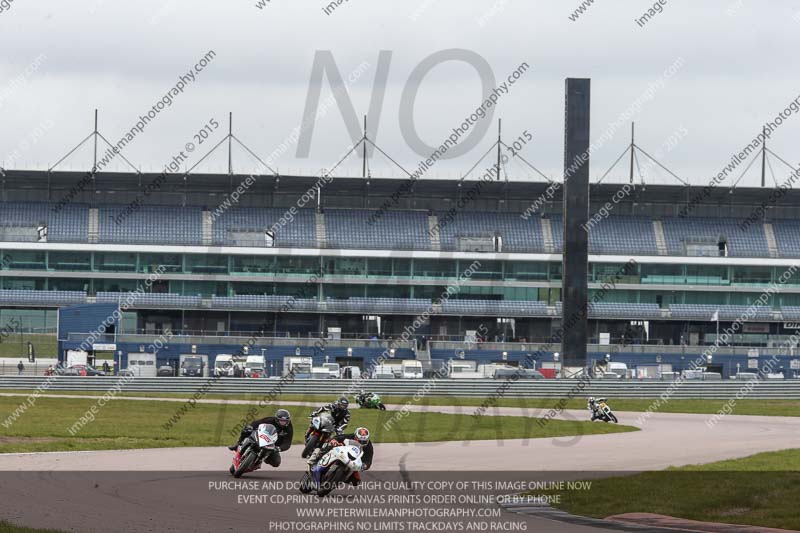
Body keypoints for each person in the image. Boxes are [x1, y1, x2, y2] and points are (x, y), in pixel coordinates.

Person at [228, 409, 293, 467]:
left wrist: (279, 448)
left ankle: (262, 459)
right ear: (276, 419)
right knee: (246, 430)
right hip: (261, 437)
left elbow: (287, 443)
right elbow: (256, 423)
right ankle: (238, 444)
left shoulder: (289, 428)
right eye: (281, 421)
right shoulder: (270, 420)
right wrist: (251, 427)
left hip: (273, 445)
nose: (283, 423)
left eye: (285, 421)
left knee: (276, 463)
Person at [308, 427, 373, 486]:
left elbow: (368, 460)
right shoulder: (350, 436)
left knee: (356, 482)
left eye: (364, 441)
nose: (361, 443)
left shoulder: (369, 447)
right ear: (355, 437)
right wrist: (334, 441)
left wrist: (364, 465)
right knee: (329, 444)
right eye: (360, 440)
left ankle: (341, 479)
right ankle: (318, 456)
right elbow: (338, 437)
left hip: (353, 461)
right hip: (342, 452)